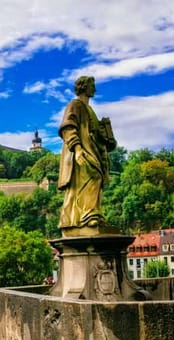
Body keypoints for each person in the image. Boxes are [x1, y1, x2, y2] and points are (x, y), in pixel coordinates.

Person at [57, 76, 117, 234]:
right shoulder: (75, 105)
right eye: (92, 85)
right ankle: (87, 216)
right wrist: (77, 149)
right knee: (92, 177)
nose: (94, 89)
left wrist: (106, 134)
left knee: (96, 179)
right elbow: (68, 128)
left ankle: (92, 214)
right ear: (84, 87)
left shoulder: (90, 110)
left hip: (93, 151)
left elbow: (97, 137)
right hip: (81, 153)